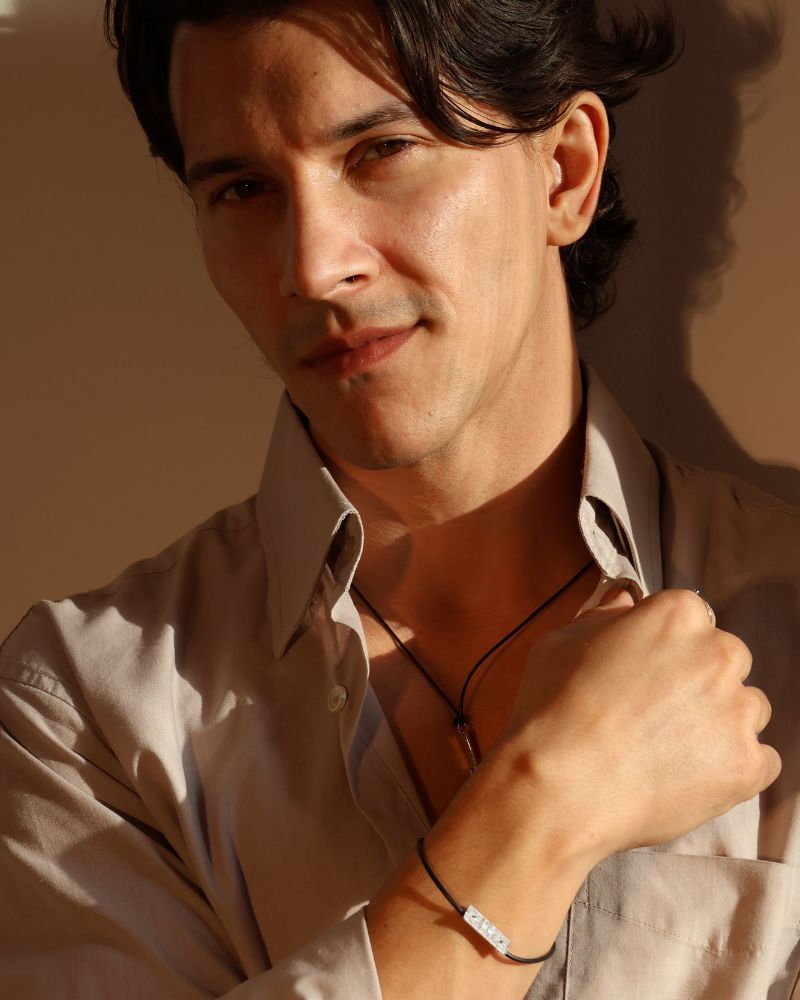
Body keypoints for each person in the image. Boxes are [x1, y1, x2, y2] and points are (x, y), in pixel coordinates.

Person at [1, 0, 798, 996]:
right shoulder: (80, 717)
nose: (312, 267)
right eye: (244, 189)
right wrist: (541, 807)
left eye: (381, 151)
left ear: (564, 172)